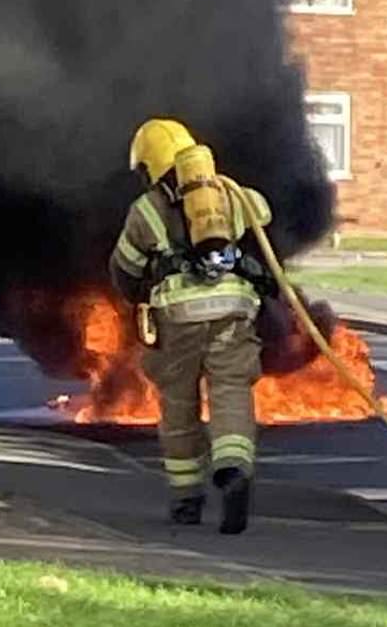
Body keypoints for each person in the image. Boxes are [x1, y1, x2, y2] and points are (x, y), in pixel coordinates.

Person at [110, 118, 276, 536]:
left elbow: (124, 269)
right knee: (231, 391)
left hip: (178, 319)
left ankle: (186, 499)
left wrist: (142, 287)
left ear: (150, 164)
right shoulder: (229, 194)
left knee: (178, 405)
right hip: (233, 312)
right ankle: (233, 468)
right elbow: (265, 216)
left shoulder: (146, 209)